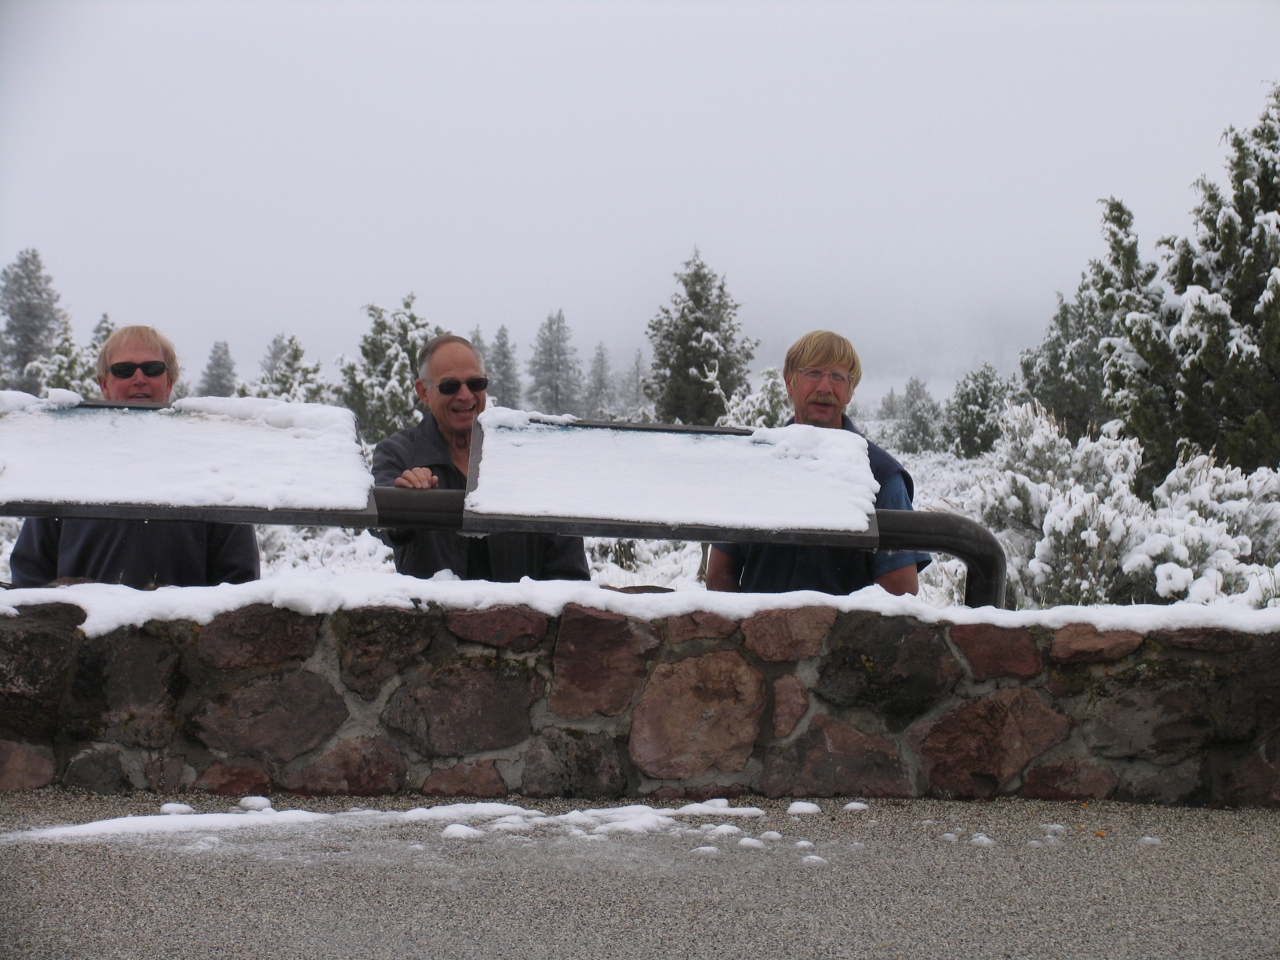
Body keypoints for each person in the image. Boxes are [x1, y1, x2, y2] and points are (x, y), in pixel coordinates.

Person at [9, 326, 261, 589]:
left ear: (170, 381)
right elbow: (30, 574)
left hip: (181, 630)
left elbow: (239, 582)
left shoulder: (209, 467)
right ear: (104, 383)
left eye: (152, 369)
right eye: (124, 370)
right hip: (81, 629)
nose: (139, 378)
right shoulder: (69, 467)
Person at [706, 330, 929, 596]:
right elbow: (720, 575)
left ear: (849, 391)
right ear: (789, 383)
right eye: (812, 373)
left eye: (837, 377)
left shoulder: (882, 475)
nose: (825, 387)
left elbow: (900, 589)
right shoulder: (753, 465)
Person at [372, 334, 590, 582]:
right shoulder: (398, 453)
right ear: (423, 392)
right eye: (450, 386)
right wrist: (405, 501)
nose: (465, 395)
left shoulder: (528, 455)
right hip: (432, 616)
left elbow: (567, 566)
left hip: (524, 616)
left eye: (475, 383)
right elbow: (381, 523)